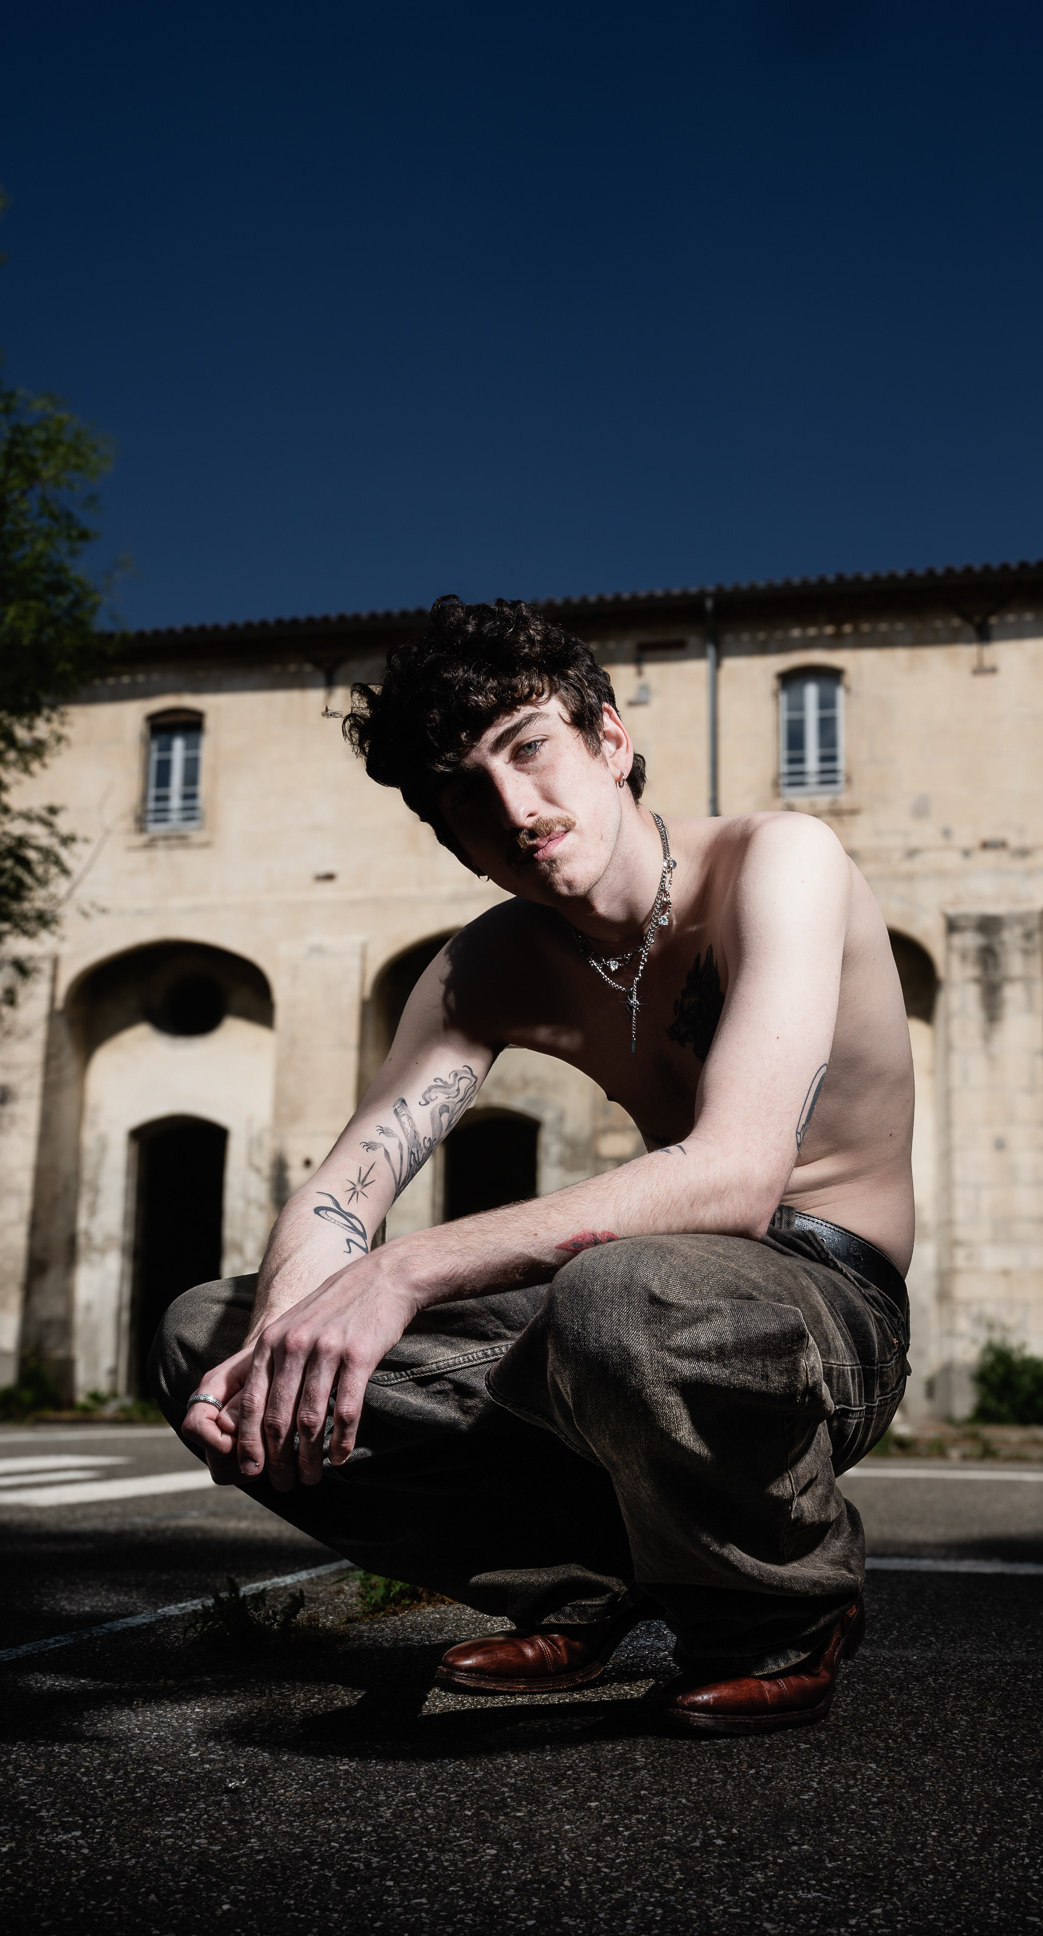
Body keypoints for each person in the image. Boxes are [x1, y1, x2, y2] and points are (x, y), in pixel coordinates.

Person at [152, 595, 914, 1736]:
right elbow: (344, 1186)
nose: (516, 807)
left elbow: (736, 1175)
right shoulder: (488, 969)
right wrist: (283, 1338)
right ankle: (575, 1586)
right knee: (209, 1332)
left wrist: (401, 1274)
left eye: (530, 749)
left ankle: (777, 1609)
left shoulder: (776, 862)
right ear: (448, 833)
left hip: (814, 1301)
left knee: (625, 1290)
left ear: (609, 739)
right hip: (643, 1299)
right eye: (468, 791)